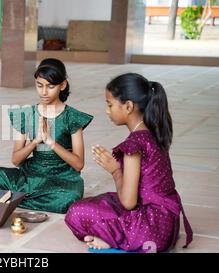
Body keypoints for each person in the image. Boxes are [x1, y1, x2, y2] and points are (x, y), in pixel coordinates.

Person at [65, 73, 193, 252]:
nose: (107, 110)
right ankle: (114, 234)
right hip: (168, 221)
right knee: (101, 201)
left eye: (110, 104)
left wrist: (116, 171)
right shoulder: (153, 133)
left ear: (128, 106)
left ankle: (113, 238)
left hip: (151, 229)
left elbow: (128, 203)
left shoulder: (133, 145)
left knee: (77, 212)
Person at [0, 58, 93, 214]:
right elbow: (16, 160)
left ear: (62, 85)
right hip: (30, 175)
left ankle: (14, 198)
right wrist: (35, 142)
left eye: (50, 87)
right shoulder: (27, 114)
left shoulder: (71, 117)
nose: (44, 92)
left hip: (62, 178)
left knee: (68, 199)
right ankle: (24, 197)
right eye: (39, 85)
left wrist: (50, 142)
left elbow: (79, 164)